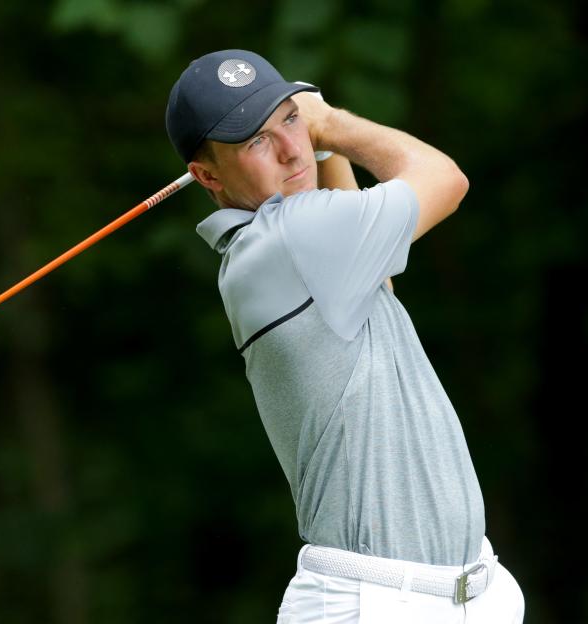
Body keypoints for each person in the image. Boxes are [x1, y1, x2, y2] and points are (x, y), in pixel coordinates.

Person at [166, 49, 525, 623]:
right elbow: (446, 180)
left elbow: (377, 277)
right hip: (376, 605)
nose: (290, 147)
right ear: (208, 177)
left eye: (289, 118)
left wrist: (323, 149)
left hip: (467, 594)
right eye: (256, 141)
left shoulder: (302, 244)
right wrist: (329, 122)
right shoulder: (284, 240)